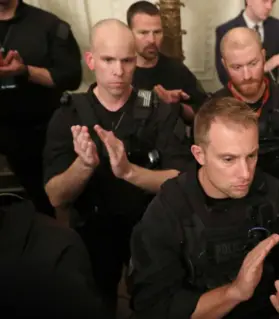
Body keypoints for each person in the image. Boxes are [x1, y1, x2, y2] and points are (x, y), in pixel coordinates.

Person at [43, 19, 191, 317]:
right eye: (108, 60)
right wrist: (84, 166)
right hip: (94, 229)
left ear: (135, 61)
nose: (118, 71)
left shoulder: (157, 110)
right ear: (91, 60)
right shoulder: (68, 114)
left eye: (126, 60)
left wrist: (129, 172)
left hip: (150, 225)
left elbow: (182, 180)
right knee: (99, 300)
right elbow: (56, 196)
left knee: (154, 300)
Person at [130, 97, 279, 319]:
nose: (245, 173)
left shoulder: (278, 197)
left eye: (251, 156)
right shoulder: (168, 209)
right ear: (199, 155)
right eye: (228, 159)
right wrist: (234, 293)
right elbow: (154, 306)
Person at [0, 0, 82, 216]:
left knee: (48, 206)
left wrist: (25, 71)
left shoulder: (49, 26)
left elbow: (71, 77)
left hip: (36, 135)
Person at [212, 27, 279, 188]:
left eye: (253, 63)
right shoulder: (213, 110)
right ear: (224, 64)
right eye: (236, 67)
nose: (247, 76)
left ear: (264, 56)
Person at [127, 1, 208, 122]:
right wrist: (152, 100)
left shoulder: (176, 69)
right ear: (129, 33)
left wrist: (176, 106)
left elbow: (204, 115)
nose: (152, 40)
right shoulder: (121, 71)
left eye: (157, 32)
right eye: (143, 33)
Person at [215, 0, 279, 86]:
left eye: (272, 2)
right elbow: (224, 76)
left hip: (272, 93)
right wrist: (265, 67)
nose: (269, 7)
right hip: (240, 96)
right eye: (265, 1)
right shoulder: (225, 30)